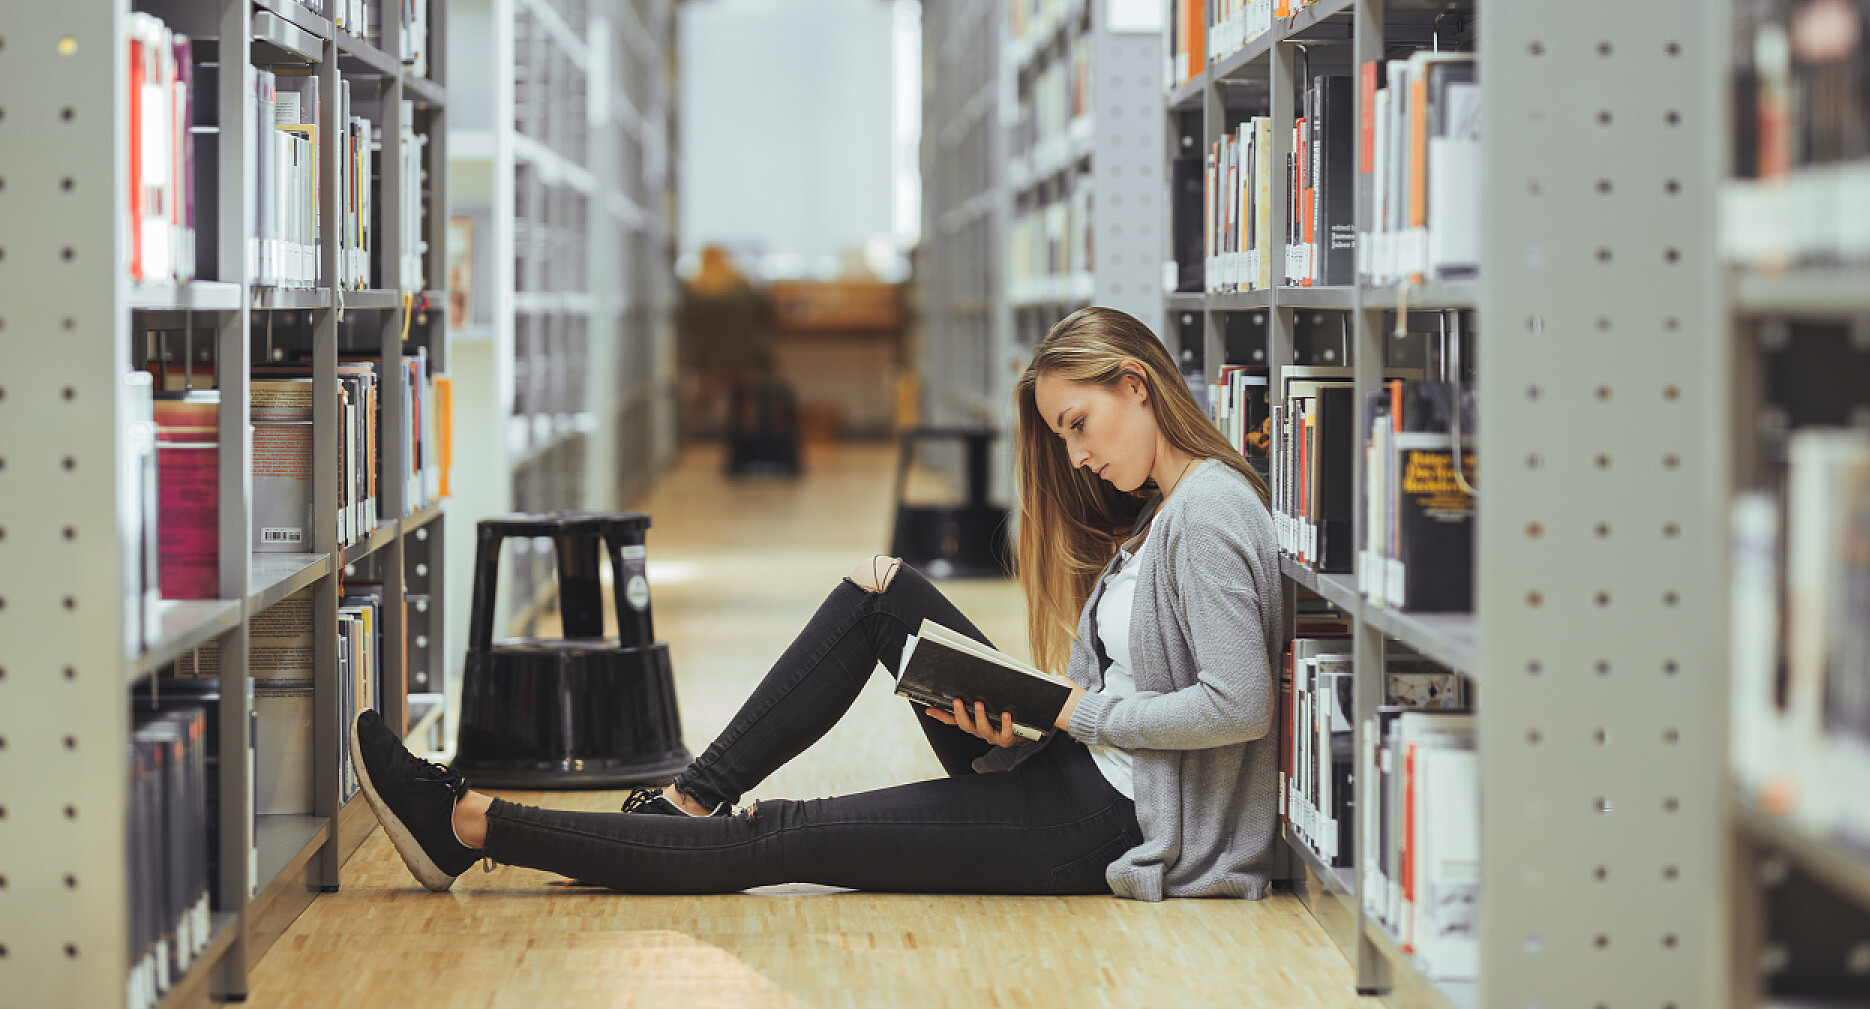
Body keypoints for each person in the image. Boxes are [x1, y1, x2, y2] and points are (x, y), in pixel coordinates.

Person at [352, 307, 1285, 900]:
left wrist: (1078, 712)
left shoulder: (1207, 509)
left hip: (1109, 824)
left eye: (1078, 424)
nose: (1076, 456)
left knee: (780, 835)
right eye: (1061, 434)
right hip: (1077, 770)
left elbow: (1241, 703)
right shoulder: (1164, 509)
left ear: (1136, 382)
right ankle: (686, 797)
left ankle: (473, 823)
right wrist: (1031, 724)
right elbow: (1130, 695)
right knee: (879, 591)